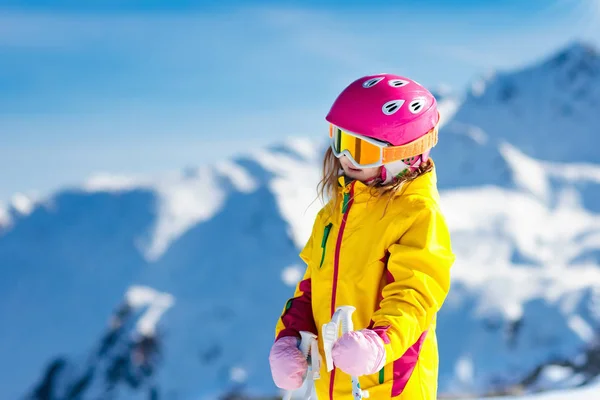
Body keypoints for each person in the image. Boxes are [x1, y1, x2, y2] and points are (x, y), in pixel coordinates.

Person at [269, 73, 456, 399]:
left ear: (405, 155)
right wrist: (290, 337)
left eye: (361, 150)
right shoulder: (335, 212)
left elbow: (416, 295)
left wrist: (380, 342)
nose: (344, 157)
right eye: (340, 140)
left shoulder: (417, 214)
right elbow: (312, 287)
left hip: (390, 387)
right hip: (331, 388)